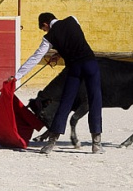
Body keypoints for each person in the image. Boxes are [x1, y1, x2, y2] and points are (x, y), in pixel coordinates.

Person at [10, 12, 103, 154]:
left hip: (74, 69)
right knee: (95, 100)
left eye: (44, 29)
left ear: (46, 24)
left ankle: (51, 142)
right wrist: (60, 52)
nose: (45, 31)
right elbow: (74, 40)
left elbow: (35, 58)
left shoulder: (49, 37)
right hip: (90, 64)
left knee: (65, 103)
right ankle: (96, 144)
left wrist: (17, 76)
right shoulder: (73, 19)